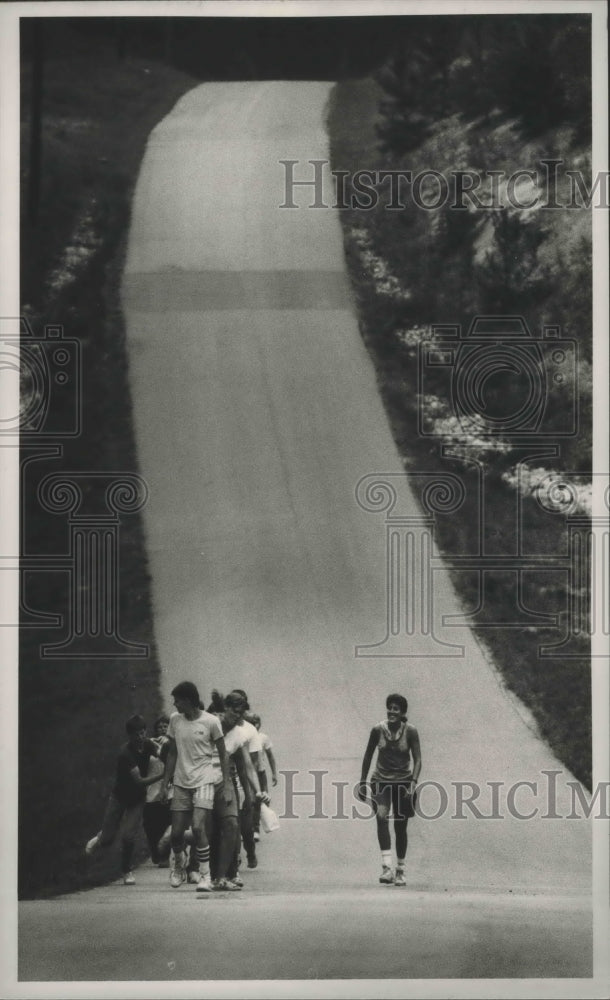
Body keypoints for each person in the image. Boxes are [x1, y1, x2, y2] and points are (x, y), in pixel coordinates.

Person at [158, 681, 233, 891]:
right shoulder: (175, 720)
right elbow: (172, 753)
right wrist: (165, 784)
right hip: (181, 782)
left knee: (199, 827)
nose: (175, 705)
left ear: (189, 701)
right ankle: (179, 866)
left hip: (204, 781)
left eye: (178, 701)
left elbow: (224, 754)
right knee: (176, 834)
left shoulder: (211, 722)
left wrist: (226, 785)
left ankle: (205, 876)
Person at [85, 714, 164, 885]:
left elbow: (160, 752)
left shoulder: (148, 744)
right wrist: (163, 775)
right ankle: (100, 837)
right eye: (137, 734)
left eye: (143, 732)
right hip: (120, 796)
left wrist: (164, 745)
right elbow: (140, 781)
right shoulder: (125, 754)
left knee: (129, 835)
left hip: (137, 799)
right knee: (108, 839)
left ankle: (126, 870)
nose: (141, 737)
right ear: (130, 735)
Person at [358, 694, 421, 887]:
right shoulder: (378, 730)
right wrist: (362, 781)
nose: (392, 711)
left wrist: (413, 782)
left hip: (403, 783)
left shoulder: (410, 731)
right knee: (381, 817)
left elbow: (418, 759)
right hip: (381, 781)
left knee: (400, 827)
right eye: (389, 708)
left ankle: (400, 869)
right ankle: (386, 867)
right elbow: (368, 756)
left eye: (396, 709)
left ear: (402, 713)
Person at [210, 691, 269, 889]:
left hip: (225, 783)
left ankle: (225, 875)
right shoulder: (211, 724)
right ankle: (192, 863)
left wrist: (256, 792)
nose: (237, 718)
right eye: (235, 713)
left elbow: (247, 767)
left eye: (241, 715)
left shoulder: (239, 735)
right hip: (200, 781)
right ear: (225, 708)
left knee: (232, 827)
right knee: (205, 831)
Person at [143, 715, 172, 867]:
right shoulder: (149, 744)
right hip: (151, 790)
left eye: (165, 726)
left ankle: (165, 856)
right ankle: (155, 852)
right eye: (159, 727)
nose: (162, 729)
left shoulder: (172, 744)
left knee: (167, 821)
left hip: (168, 789)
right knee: (151, 826)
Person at [247, 713, 278, 839]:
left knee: (260, 800)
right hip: (247, 773)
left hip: (260, 773)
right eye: (251, 723)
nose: (254, 726)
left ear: (259, 724)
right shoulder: (245, 737)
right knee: (249, 801)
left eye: (256, 723)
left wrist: (274, 773)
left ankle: (256, 828)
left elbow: (270, 756)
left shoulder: (263, 738)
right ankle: (250, 827)